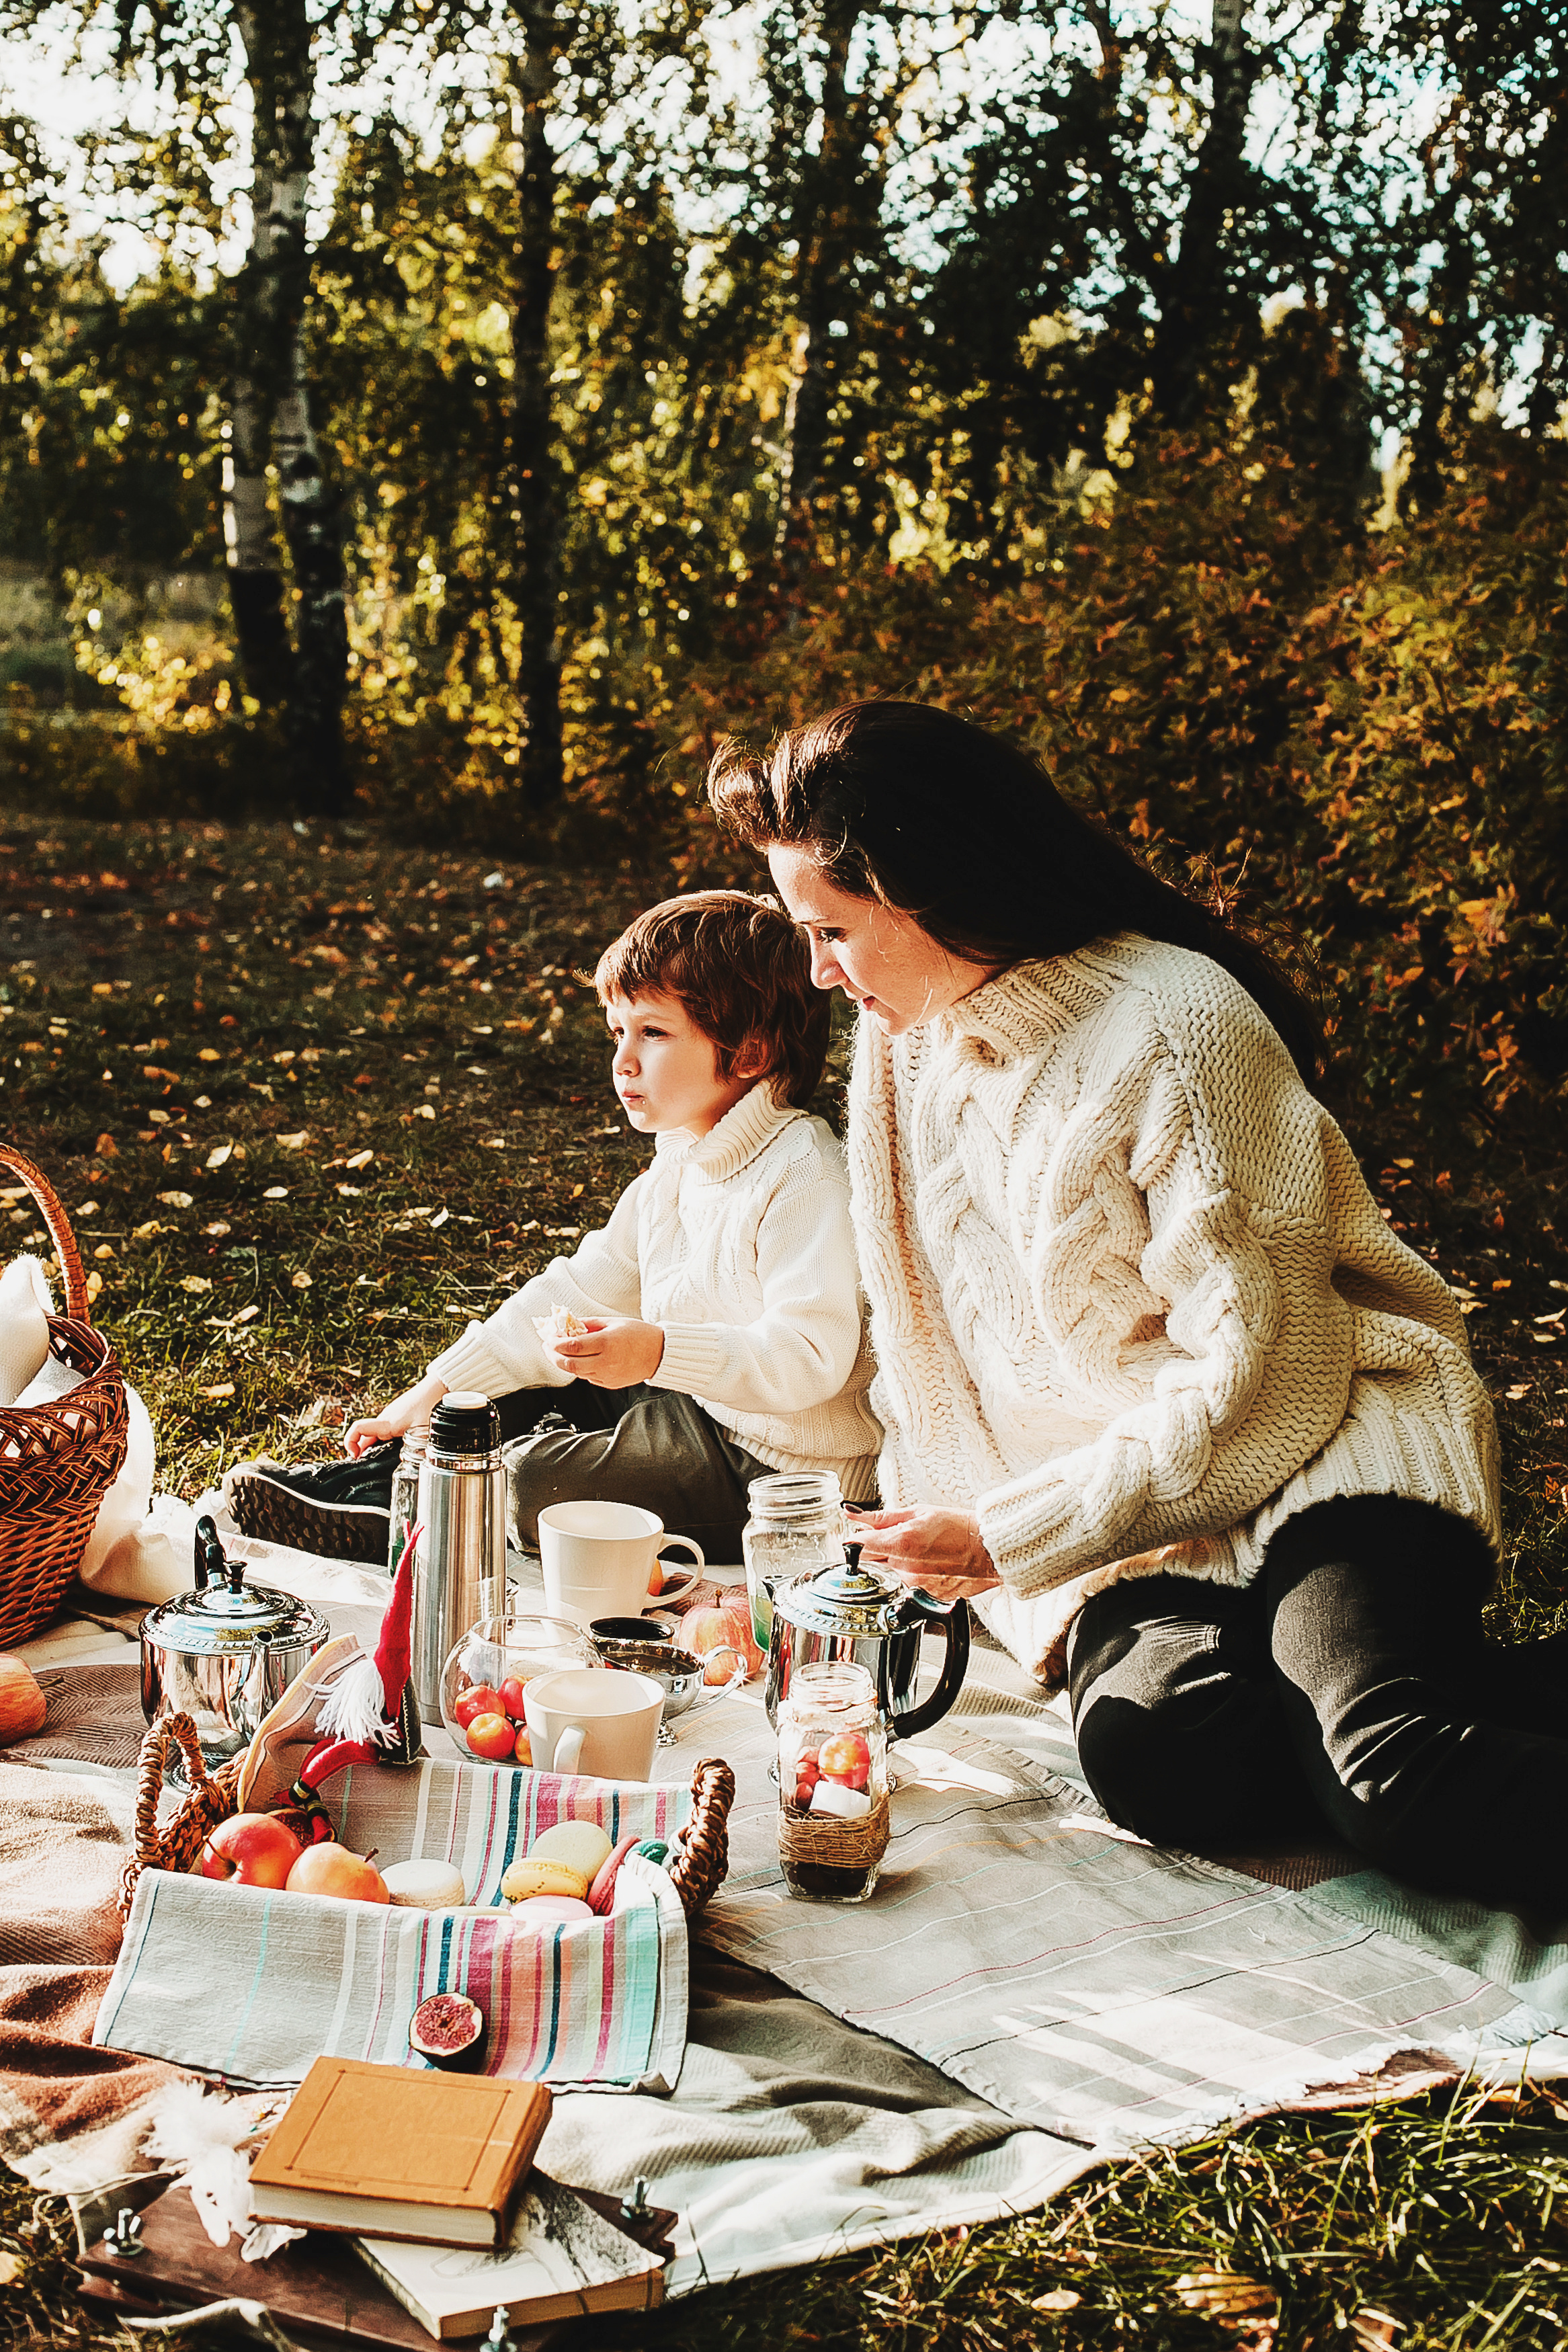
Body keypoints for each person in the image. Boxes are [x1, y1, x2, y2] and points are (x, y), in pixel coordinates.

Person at [710, 698, 1566, 1916]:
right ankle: (1415, 1681)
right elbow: (923, 1344)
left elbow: (1262, 1383)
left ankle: (1377, 1694)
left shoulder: (1174, 1020)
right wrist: (905, 1540)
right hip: (1130, 1519)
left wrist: (1009, 1533)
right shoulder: (900, 1038)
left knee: (1387, 1774)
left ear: (926, 884)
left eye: (831, 928)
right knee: (1162, 1757)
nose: (815, 968)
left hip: (1324, 1445)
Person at [341, 890, 880, 1559]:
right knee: (481, 1406)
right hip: (695, 1410)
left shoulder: (803, 1173)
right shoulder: (679, 1162)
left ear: (748, 1052)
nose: (623, 1060)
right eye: (616, 1031)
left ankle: (418, 1511)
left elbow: (809, 1358)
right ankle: (385, 1482)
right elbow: (574, 1293)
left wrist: (655, 1352)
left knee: (530, 1486)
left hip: (781, 1473)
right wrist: (432, 1391)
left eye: (652, 1033)